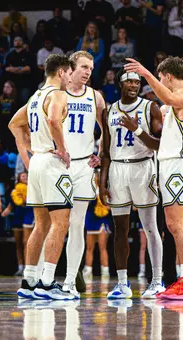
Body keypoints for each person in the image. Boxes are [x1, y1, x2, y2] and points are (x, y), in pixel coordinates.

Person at [124, 56, 183, 299]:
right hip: (168, 164)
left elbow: (168, 98)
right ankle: (181, 279)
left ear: (167, 76)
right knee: (172, 225)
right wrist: (137, 129)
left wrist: (146, 73)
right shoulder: (171, 107)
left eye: (160, 77)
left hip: (179, 164)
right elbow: (160, 142)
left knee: (178, 224)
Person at [8, 54, 75, 300]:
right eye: (69, 73)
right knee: (61, 222)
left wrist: (32, 148)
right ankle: (47, 283)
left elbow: (13, 125)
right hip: (51, 163)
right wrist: (63, 150)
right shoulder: (57, 94)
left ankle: (29, 280)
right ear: (60, 72)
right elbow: (54, 120)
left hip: (37, 163)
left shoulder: (35, 97)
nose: (70, 78)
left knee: (41, 224)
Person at [99, 68, 165, 299]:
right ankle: (122, 284)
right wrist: (102, 180)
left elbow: (159, 145)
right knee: (120, 230)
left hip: (142, 167)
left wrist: (136, 129)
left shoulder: (150, 107)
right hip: (117, 169)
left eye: (137, 82)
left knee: (150, 227)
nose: (134, 85)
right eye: (130, 82)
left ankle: (157, 281)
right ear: (120, 84)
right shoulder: (109, 111)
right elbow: (106, 150)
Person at [60, 51, 107, 298]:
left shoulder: (95, 96)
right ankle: (39, 277)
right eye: (84, 67)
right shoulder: (56, 94)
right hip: (58, 165)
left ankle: (69, 280)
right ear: (71, 68)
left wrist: (101, 152)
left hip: (83, 166)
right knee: (54, 225)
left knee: (77, 224)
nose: (88, 71)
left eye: (91, 67)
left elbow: (106, 127)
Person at [2, 172, 34, 276]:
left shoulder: (33, 189)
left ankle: (28, 266)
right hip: (17, 217)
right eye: (23, 176)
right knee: (18, 244)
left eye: (26, 176)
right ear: (19, 178)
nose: (25, 177)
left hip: (28, 215)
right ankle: (20, 266)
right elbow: (11, 204)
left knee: (26, 242)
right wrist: (6, 211)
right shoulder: (14, 191)